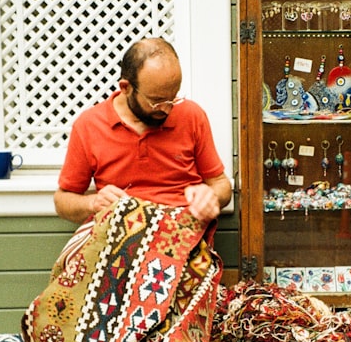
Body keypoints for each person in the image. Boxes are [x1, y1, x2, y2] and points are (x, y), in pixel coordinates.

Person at [54, 37, 232, 225]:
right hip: (118, 234)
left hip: (181, 231)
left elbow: (221, 185)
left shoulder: (192, 115)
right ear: (126, 87)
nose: (166, 109)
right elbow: (63, 200)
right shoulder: (89, 125)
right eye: (156, 101)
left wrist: (210, 196)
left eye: (173, 98)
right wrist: (92, 202)